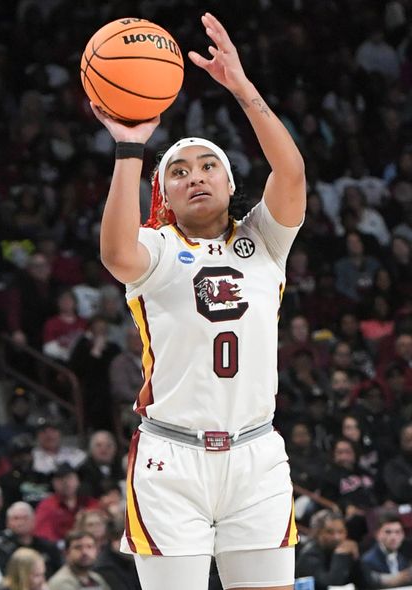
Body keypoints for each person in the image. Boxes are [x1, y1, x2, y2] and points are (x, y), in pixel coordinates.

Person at [92, 13, 305, 590]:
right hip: (171, 459)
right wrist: (131, 148)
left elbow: (290, 170)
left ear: (232, 183)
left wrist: (242, 88)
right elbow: (114, 251)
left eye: (209, 165)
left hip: (256, 454)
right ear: (163, 197)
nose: (196, 177)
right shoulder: (157, 249)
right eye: (179, 172)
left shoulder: (264, 241)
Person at [295, 510, 361, 589]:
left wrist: (356, 558)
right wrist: (339, 556)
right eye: (330, 532)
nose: (337, 537)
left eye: (341, 531)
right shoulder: (309, 556)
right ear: (317, 533)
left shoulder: (345, 549)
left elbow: (367, 584)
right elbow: (331, 585)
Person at [360, 511, 412, 589]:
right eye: (388, 532)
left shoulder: (405, 557)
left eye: (397, 532)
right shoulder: (367, 561)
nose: (393, 537)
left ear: (403, 534)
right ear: (377, 534)